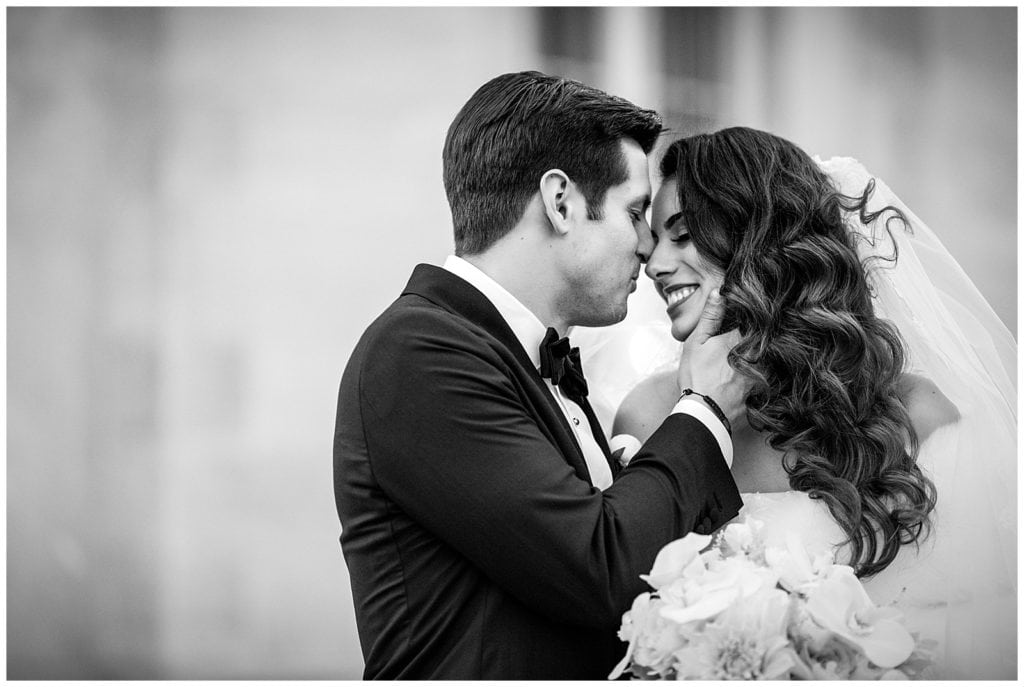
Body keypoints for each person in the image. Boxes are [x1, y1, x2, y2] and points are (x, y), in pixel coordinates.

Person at [332, 72, 748, 680]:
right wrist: (705, 408)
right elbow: (600, 565)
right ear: (561, 203)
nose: (646, 248)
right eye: (635, 213)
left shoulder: (519, 355)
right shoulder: (418, 353)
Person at [606, 126, 1016, 679]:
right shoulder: (651, 416)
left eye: (682, 236)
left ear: (757, 238)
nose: (654, 265)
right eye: (654, 242)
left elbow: (979, 639)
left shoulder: (913, 416)